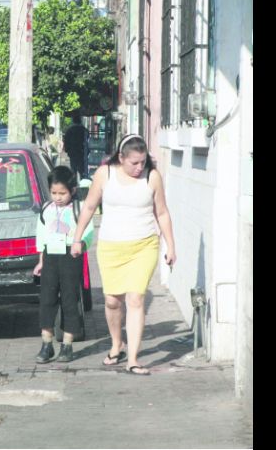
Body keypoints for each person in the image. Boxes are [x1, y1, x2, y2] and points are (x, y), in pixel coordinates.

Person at [70, 134, 176, 375]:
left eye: (143, 162)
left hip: (144, 246)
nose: (139, 167)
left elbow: (162, 213)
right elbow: (89, 207)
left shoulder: (152, 177)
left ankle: (133, 359)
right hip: (111, 247)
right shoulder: (104, 174)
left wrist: (170, 245)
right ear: (121, 157)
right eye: (134, 163)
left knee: (136, 299)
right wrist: (77, 239)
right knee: (112, 301)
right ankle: (117, 343)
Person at [33, 166, 95, 363]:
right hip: (50, 255)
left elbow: (88, 232)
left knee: (69, 300)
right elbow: (41, 236)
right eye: (54, 193)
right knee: (47, 299)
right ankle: (46, 344)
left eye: (62, 193)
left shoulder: (79, 209)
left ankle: (67, 345)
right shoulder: (46, 209)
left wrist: (81, 244)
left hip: (71, 256)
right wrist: (41, 261)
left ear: (72, 190)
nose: (58, 197)